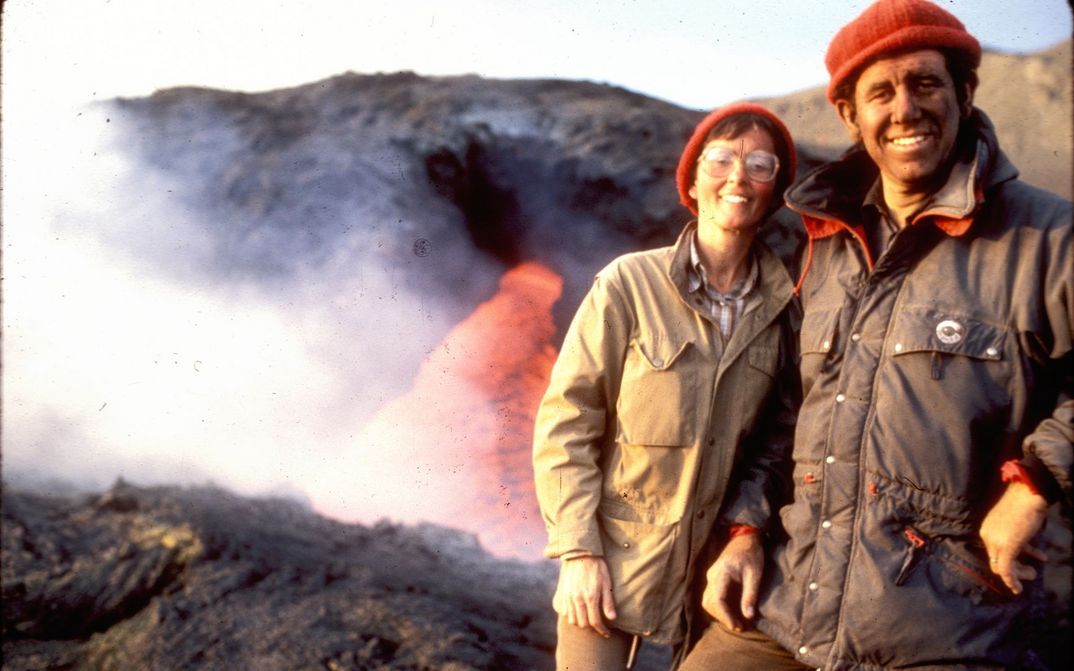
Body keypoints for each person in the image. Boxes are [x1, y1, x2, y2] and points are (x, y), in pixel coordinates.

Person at [681, 1, 1074, 669]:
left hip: (952, 626)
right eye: (880, 93)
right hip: (790, 611)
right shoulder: (829, 245)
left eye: (925, 83)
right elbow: (789, 410)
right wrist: (745, 531)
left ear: (963, 93)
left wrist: (1034, 482)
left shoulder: (1046, 238)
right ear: (849, 116)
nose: (905, 110)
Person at [532, 103, 799, 670]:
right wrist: (579, 552)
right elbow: (567, 422)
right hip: (610, 578)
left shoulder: (784, 310)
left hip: (709, 587)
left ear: (774, 190)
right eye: (721, 159)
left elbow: (774, 444)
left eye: (760, 164)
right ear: (694, 180)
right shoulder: (629, 284)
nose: (738, 177)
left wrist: (745, 533)